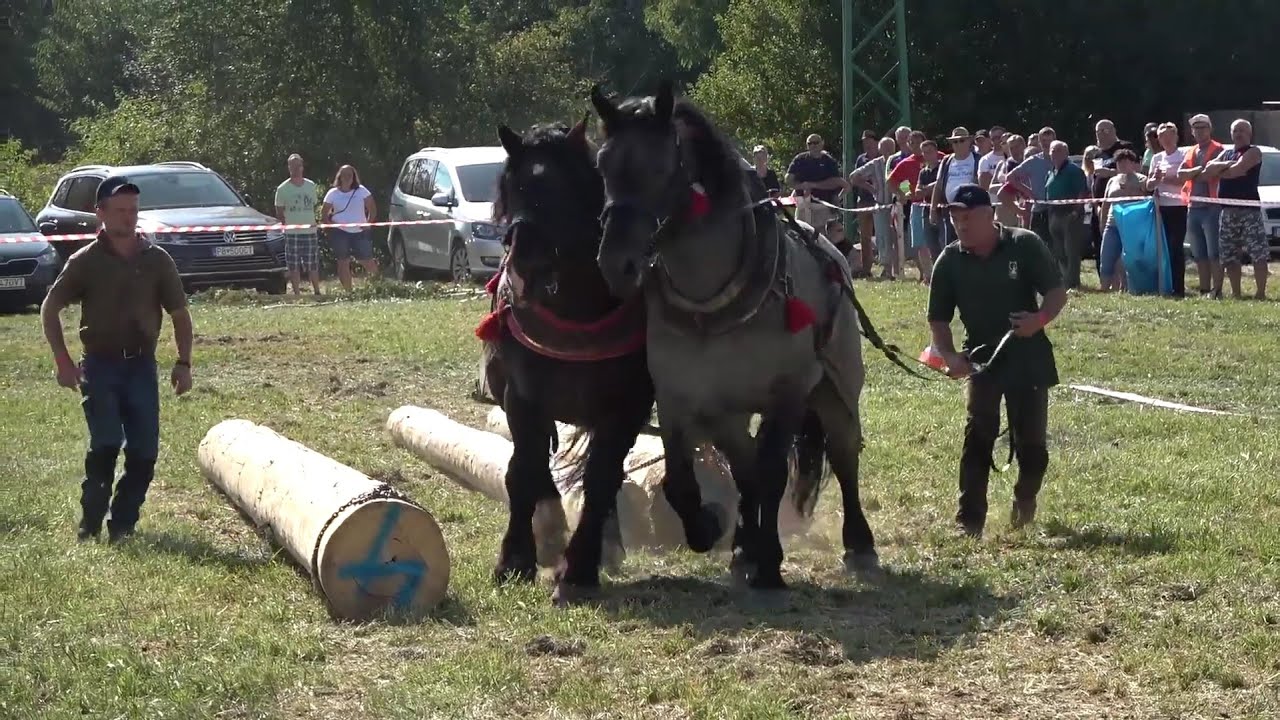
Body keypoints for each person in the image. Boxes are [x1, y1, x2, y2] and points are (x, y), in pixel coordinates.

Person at [39, 175, 194, 543]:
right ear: (101, 214)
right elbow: (50, 308)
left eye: (134, 211)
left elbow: (180, 314)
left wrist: (183, 362)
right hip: (100, 366)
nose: (129, 218)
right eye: (121, 211)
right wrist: (62, 361)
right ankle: (90, 522)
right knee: (106, 442)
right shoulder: (85, 261)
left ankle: (122, 524)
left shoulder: (156, 260)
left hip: (141, 365)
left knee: (144, 452)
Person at [926, 184, 1068, 538]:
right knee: (978, 436)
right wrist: (948, 355)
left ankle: (1025, 502)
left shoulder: (1025, 244)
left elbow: (1056, 293)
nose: (961, 225)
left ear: (989, 215)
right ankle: (968, 520)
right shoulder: (950, 260)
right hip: (982, 362)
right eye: (956, 219)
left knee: (1031, 445)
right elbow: (938, 319)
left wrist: (1038, 320)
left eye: (968, 217)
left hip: (1028, 359)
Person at [1098, 149, 1149, 292]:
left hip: (1132, 225)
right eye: (1120, 162)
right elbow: (1106, 204)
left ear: (1133, 164)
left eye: (1127, 161)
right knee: (1106, 258)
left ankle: (1127, 288)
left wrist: (1131, 189)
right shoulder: (1112, 181)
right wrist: (1102, 223)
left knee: (1127, 260)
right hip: (1112, 224)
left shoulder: (1142, 180)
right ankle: (1104, 289)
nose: (1123, 164)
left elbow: (1146, 200)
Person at [322, 164, 379, 291]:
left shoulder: (362, 191)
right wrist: (330, 226)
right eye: (344, 175)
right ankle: (348, 291)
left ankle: (377, 287)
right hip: (340, 232)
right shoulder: (332, 193)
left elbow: (372, 208)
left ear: (354, 177)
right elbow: (324, 212)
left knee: (367, 260)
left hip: (360, 231)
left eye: (350, 175)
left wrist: (368, 223)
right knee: (343, 262)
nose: (347, 177)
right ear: (339, 177)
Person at [275, 153, 322, 297]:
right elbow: (279, 211)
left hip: (309, 232)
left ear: (302, 166)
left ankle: (317, 292)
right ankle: (297, 294)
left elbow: (314, 205)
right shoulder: (282, 189)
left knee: (312, 263)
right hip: (292, 233)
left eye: (297, 165)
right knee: (294, 265)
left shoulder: (310, 185)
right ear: (288, 167)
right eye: (291, 166)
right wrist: (288, 226)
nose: (295, 168)